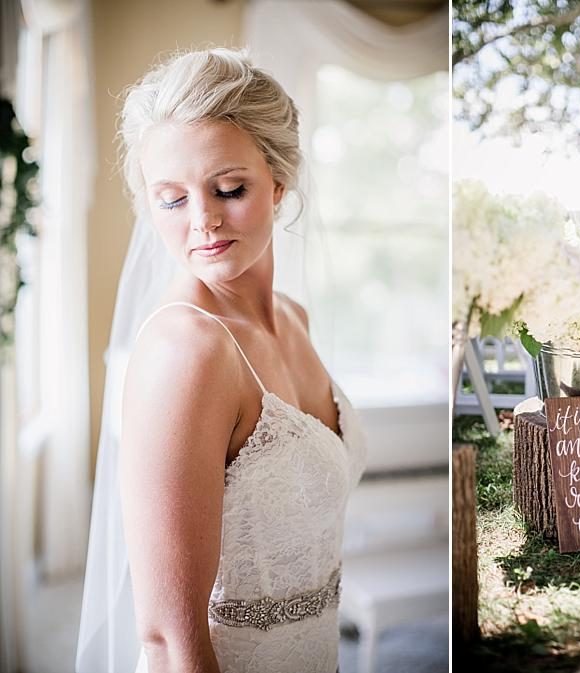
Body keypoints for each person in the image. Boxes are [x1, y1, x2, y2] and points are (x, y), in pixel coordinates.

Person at [75, 47, 366, 673]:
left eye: (229, 188)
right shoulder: (188, 352)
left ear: (279, 181)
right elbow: (168, 640)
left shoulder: (293, 317)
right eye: (172, 199)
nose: (203, 221)